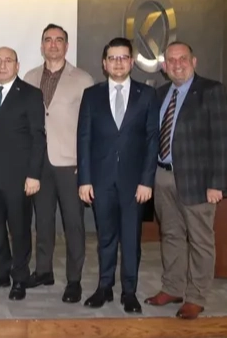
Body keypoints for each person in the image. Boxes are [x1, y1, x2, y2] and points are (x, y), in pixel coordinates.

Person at [145, 42, 227, 320]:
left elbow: (223, 139)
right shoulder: (160, 94)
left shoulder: (211, 91)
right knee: (171, 235)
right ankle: (172, 288)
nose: (177, 64)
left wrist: (217, 183)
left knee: (200, 239)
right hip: (163, 176)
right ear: (164, 67)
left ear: (193, 61)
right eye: (171, 60)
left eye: (182, 59)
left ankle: (196, 296)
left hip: (198, 180)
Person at [77, 37, 159, 314]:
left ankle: (129, 292)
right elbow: (84, 139)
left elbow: (152, 141)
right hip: (101, 181)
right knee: (106, 238)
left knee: (131, 239)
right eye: (112, 58)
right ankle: (104, 287)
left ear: (132, 62)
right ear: (104, 64)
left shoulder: (147, 95)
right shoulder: (91, 95)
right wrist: (84, 179)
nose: (118, 63)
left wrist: (147, 180)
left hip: (135, 183)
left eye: (123, 57)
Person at [23, 23, 94, 303]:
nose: (53, 44)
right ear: (42, 45)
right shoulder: (29, 77)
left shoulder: (83, 79)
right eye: (48, 40)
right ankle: (43, 271)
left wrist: (85, 163)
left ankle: (74, 280)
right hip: (39, 164)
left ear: (66, 45)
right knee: (42, 221)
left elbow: (91, 125)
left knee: (73, 223)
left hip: (70, 163)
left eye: (58, 40)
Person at [0, 47, 45, 301]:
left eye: (8, 61)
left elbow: (38, 137)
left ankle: (20, 278)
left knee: (19, 228)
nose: (2, 66)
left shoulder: (31, 94)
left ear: (17, 65)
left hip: (19, 175)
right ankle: (0, 273)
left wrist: (34, 174)